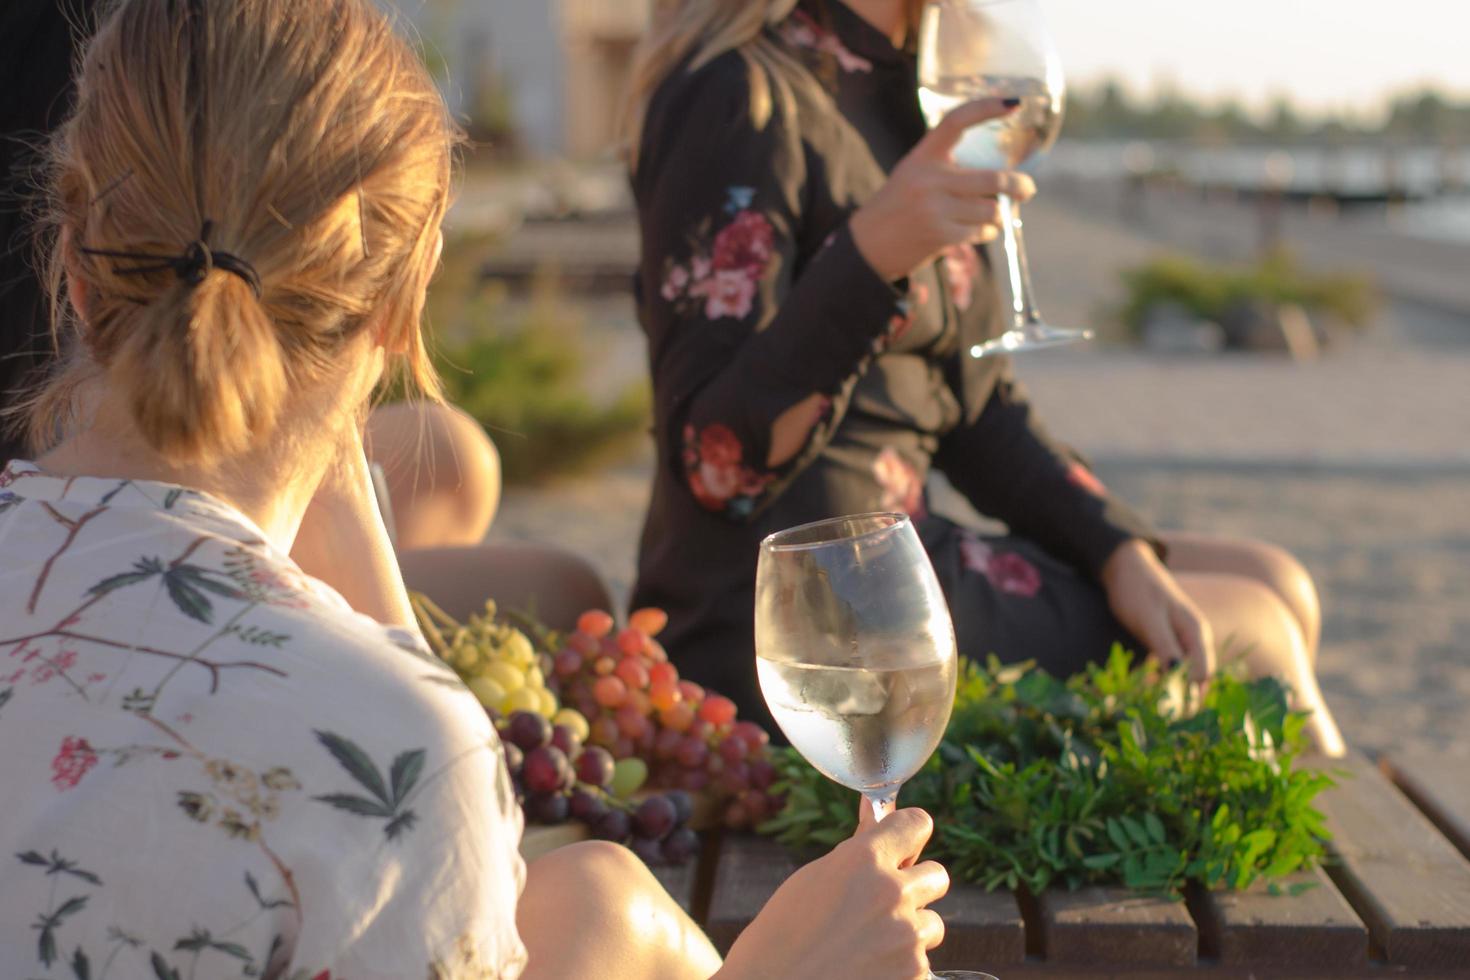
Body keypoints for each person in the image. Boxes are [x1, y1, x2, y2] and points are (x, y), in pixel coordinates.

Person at [0, 2, 953, 977]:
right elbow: (416, 783)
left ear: (71, 272)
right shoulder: (391, 746)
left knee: (593, 894)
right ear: (401, 308)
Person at [626, 0, 1345, 754]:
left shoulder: (911, 88)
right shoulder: (738, 94)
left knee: (1275, 578)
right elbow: (714, 465)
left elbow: (976, 412)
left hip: (896, 558)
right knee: (1255, 625)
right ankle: (1346, 869)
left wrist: (1114, 547)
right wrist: (871, 258)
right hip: (795, 617)